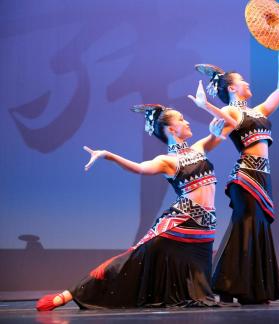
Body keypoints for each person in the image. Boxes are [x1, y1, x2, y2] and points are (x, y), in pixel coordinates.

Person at [36, 84, 237, 311]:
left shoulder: (200, 147)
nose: (187, 122)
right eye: (181, 119)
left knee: (197, 285)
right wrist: (108, 155)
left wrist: (206, 105)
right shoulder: (167, 160)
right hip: (180, 222)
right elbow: (140, 168)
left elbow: (231, 123)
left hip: (205, 225)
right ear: (171, 130)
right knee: (133, 259)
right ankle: (69, 294)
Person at [194, 42, 279, 304]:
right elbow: (225, 130)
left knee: (257, 228)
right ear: (232, 88)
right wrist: (207, 109)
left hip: (263, 176)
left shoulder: (257, 111)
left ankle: (250, 288)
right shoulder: (230, 110)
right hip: (246, 176)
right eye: (242, 81)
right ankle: (228, 285)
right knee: (245, 226)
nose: (248, 83)